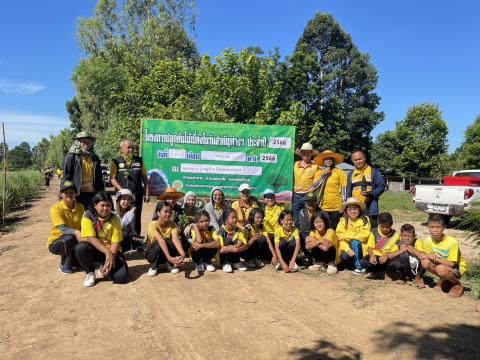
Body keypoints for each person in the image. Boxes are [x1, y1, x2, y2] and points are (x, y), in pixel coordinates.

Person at [75, 191, 129, 287]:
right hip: (95, 249)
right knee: (81, 248)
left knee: (121, 277)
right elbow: (91, 238)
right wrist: (107, 253)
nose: (105, 208)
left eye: (108, 205)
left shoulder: (115, 218)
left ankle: (103, 266)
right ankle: (90, 273)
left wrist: (109, 260)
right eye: (102, 205)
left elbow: (116, 242)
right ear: (95, 205)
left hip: (112, 251)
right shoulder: (88, 215)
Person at [420, 214, 468, 298]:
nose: (435, 230)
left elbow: (452, 264)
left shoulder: (452, 242)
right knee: (425, 262)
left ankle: (457, 284)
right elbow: (429, 258)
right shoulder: (428, 241)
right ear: (428, 227)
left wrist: (436, 259)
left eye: (438, 227)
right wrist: (428, 256)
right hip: (441, 267)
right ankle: (444, 280)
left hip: (457, 268)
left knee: (441, 268)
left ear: (444, 228)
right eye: (432, 227)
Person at [111, 139, 150, 234]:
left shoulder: (139, 161)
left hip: (137, 194)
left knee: (136, 217)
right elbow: (112, 179)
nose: (131, 150)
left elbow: (145, 177)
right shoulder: (116, 161)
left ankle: (136, 240)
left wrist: (147, 193)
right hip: (121, 196)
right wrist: (122, 191)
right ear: (122, 149)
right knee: (121, 217)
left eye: (132, 148)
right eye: (129, 147)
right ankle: (122, 238)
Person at [47, 180, 84, 274]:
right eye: (66, 192)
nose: (69, 194)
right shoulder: (55, 209)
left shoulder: (81, 207)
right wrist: (77, 232)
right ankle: (64, 264)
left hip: (76, 239)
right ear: (61, 194)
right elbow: (62, 228)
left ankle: (75, 259)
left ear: (76, 193)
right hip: (57, 242)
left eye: (72, 192)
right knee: (68, 238)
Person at [62, 131, 104, 209]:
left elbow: (99, 177)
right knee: (78, 216)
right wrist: (68, 193)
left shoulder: (95, 157)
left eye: (89, 141)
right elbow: (66, 176)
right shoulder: (71, 156)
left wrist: (101, 192)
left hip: (92, 193)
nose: (86, 143)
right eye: (83, 141)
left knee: (91, 215)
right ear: (78, 143)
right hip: (77, 193)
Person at [145, 202, 186, 277]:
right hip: (152, 254)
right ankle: (154, 267)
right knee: (158, 243)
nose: (168, 214)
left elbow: (175, 238)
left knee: (179, 239)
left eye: (170, 212)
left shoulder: (173, 224)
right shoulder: (153, 225)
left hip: (165, 253)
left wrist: (183, 254)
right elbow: (160, 240)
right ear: (158, 213)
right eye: (165, 211)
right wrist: (169, 257)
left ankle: (169, 264)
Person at [346, 149, 385, 225]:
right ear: (352, 161)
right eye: (355, 160)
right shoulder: (351, 174)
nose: (358, 161)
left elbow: (381, 186)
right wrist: (348, 206)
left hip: (369, 206)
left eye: (360, 159)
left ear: (364, 158)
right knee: (356, 227)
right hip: (355, 207)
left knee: (371, 228)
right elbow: (348, 191)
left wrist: (371, 193)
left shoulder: (374, 172)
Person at [311, 150, 347, 229]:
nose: (328, 160)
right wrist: (323, 174)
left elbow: (344, 189)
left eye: (330, 158)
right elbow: (315, 187)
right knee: (323, 228)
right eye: (325, 158)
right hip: (322, 206)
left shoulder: (340, 172)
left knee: (334, 228)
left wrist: (343, 205)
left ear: (333, 160)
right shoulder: (319, 172)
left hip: (337, 207)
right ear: (323, 161)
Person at [361, 212, 400, 281]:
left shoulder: (396, 235)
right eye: (383, 227)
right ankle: (380, 273)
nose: (385, 229)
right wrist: (372, 256)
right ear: (378, 224)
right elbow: (369, 247)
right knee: (364, 261)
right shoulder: (374, 231)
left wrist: (386, 255)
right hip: (377, 256)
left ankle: (386, 273)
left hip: (389, 257)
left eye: (387, 227)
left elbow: (398, 249)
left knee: (396, 263)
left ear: (391, 225)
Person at [336, 197, 371, 275]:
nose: (352, 211)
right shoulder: (342, 221)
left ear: (359, 209)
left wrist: (346, 236)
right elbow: (340, 238)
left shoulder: (365, 219)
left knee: (354, 242)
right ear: (346, 211)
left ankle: (359, 267)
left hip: (362, 248)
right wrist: (347, 249)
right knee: (344, 256)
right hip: (348, 248)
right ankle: (354, 265)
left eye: (355, 208)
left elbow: (364, 236)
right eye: (350, 209)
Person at [292, 143, 319, 226]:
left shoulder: (315, 166)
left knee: (310, 216)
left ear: (311, 153)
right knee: (295, 216)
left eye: (308, 152)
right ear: (301, 153)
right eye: (304, 152)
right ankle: (297, 235)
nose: (306, 154)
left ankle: (308, 232)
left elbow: (317, 182)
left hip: (309, 195)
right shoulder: (295, 164)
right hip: (297, 195)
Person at [216, 208, 249, 273]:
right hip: (222, 256)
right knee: (228, 240)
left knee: (239, 241)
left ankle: (236, 262)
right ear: (226, 220)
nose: (235, 220)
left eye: (236, 217)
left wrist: (236, 248)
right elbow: (221, 250)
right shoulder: (221, 231)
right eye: (233, 218)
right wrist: (234, 247)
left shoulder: (238, 230)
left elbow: (245, 243)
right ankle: (225, 263)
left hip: (233, 252)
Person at [113, 189, 143, 253]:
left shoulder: (127, 211)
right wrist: (130, 213)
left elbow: (131, 227)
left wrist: (135, 236)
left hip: (122, 237)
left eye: (129, 199)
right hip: (112, 239)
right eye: (124, 199)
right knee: (125, 234)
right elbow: (119, 226)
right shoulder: (113, 211)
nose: (126, 202)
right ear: (118, 200)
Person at [298, 192, 320, 265]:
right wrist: (309, 237)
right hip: (306, 234)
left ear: (316, 201)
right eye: (308, 201)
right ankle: (307, 255)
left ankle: (317, 258)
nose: (310, 203)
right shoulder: (301, 212)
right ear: (305, 202)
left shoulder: (321, 212)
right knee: (301, 235)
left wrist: (313, 237)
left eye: (312, 201)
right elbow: (304, 229)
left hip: (318, 234)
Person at [262, 189, 283, 266]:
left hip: (278, 235)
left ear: (275, 198)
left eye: (271, 197)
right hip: (266, 236)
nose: (270, 199)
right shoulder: (262, 210)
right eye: (267, 197)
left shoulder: (281, 208)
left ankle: (278, 258)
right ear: (264, 200)